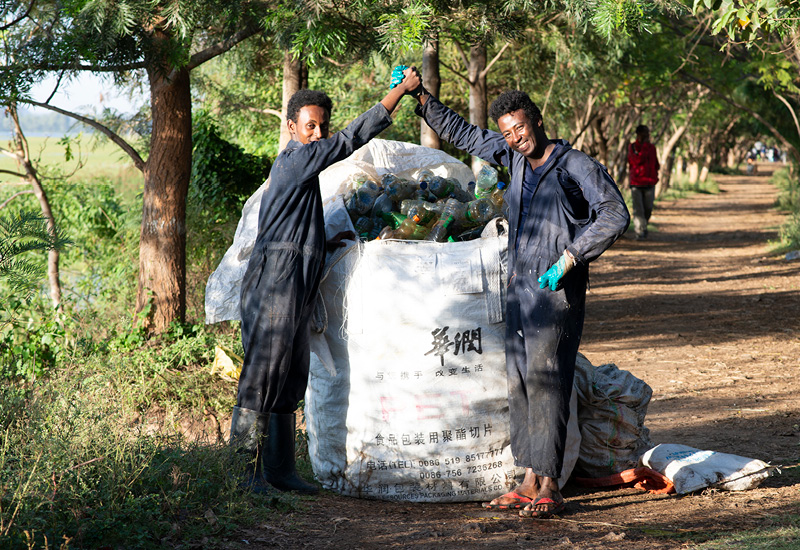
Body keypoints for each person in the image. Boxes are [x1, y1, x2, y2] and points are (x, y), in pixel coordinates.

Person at [405, 77, 629, 518]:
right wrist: (422, 100)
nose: (514, 137)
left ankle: (551, 485)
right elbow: (464, 133)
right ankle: (528, 478)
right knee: (522, 384)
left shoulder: (573, 165)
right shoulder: (512, 156)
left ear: (537, 121)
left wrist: (572, 257)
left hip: (556, 290)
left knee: (548, 383)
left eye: (520, 128)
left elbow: (615, 212)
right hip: (519, 288)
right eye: (507, 132)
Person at [232, 68, 423, 494]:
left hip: (296, 285)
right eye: (309, 126)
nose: (317, 134)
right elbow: (351, 139)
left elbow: (296, 226)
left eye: (322, 126)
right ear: (291, 128)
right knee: (262, 375)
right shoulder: (296, 159)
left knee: (290, 376)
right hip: (274, 286)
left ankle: (279, 472)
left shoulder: (303, 172)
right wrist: (397, 93)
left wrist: (325, 237)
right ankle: (241, 475)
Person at [627, 125, 659, 240]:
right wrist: (644, 146)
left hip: (650, 183)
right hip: (636, 183)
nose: (647, 135)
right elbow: (636, 162)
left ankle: (643, 227)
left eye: (648, 133)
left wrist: (655, 175)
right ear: (639, 134)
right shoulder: (633, 147)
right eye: (645, 133)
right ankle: (640, 232)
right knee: (638, 209)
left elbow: (656, 163)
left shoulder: (652, 148)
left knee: (648, 208)